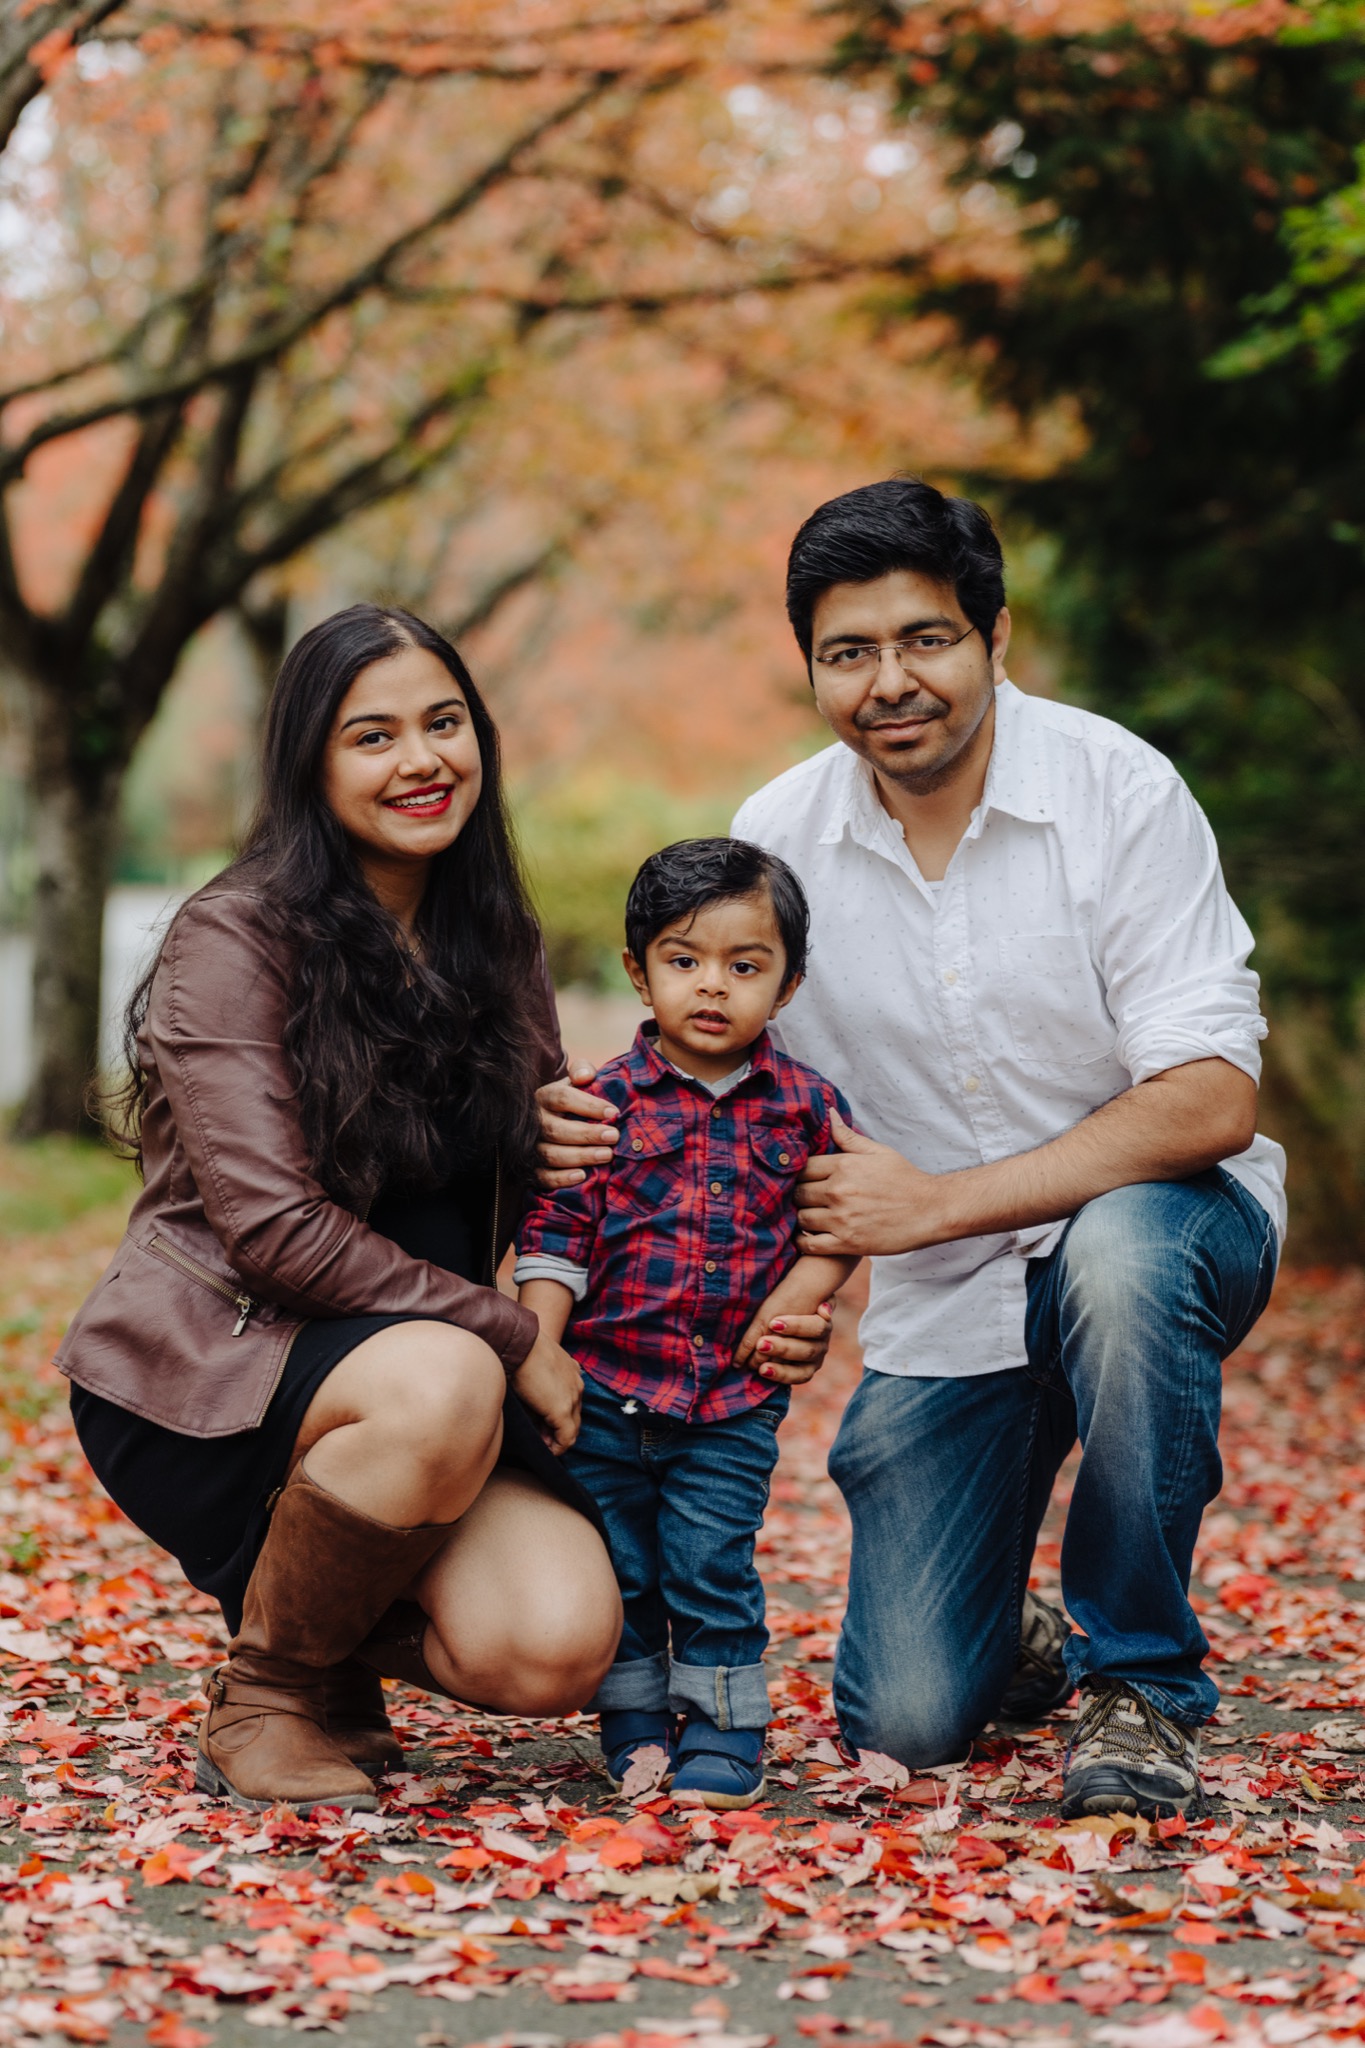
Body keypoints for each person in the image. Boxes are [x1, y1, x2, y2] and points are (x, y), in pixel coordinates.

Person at [535, 479, 1286, 1821]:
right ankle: (1016, 1631)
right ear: (812, 668)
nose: (890, 682)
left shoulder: (1118, 790)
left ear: (994, 635)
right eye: (848, 652)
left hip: (1164, 1231)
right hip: (952, 1307)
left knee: (1117, 1259)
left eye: (925, 639)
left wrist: (937, 1203)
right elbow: (731, 1083)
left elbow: (1210, 1098)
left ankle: (1141, 1681)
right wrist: (577, 1123)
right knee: (910, 1713)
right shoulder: (780, 839)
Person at [58, 604, 621, 1815]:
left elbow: (508, 1174)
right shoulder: (235, 936)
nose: (421, 759)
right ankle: (267, 1693)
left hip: (417, 1386)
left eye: (444, 722)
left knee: (553, 1646)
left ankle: (325, 1626)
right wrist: (512, 1332)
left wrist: (558, 1141)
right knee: (450, 1373)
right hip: (223, 1368)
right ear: (310, 762)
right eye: (374, 735)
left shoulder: (494, 934)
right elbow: (272, 1230)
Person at [514, 839, 856, 1807]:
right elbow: (557, 1236)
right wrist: (540, 1351)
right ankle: (631, 1720)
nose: (712, 985)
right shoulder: (601, 1104)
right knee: (621, 1565)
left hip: (729, 1400)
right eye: (684, 959)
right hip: (606, 1387)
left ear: (787, 986)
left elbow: (841, 1222)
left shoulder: (807, 1107)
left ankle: (722, 1724)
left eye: (745, 966)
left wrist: (799, 1297)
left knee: (710, 1562)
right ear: (640, 971)